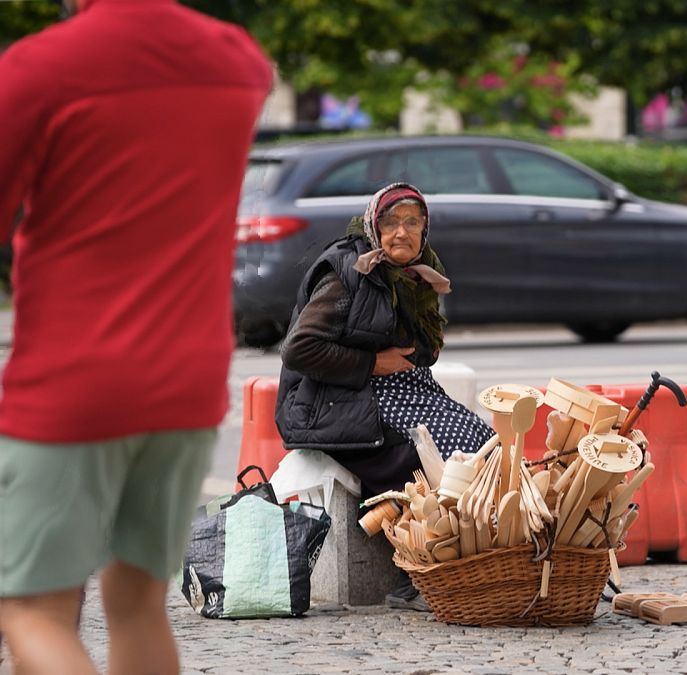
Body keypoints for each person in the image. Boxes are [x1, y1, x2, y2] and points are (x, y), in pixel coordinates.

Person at [0, 0, 270, 671]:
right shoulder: (235, 60)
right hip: (189, 379)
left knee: (32, 607)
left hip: (74, 380)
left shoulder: (41, 67)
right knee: (137, 601)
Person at [274, 182, 494, 607]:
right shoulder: (346, 273)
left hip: (401, 388)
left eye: (412, 222)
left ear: (424, 228)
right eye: (391, 222)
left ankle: (473, 561)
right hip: (330, 401)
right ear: (374, 225)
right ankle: (419, 571)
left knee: (478, 444)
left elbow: (422, 350)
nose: (401, 233)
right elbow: (299, 351)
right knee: (424, 457)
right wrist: (372, 364)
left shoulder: (421, 271)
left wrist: (419, 349)